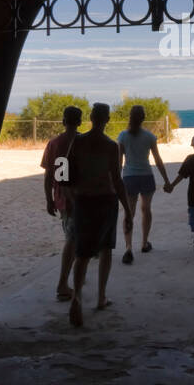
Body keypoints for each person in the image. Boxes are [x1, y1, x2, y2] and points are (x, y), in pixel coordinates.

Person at [63, 103, 134, 327]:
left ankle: (77, 297)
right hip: (105, 200)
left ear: (91, 118)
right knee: (106, 249)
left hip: (83, 200)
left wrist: (68, 193)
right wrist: (128, 210)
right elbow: (117, 179)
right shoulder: (111, 146)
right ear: (108, 120)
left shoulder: (78, 141)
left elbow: (63, 167)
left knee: (82, 253)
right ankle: (102, 297)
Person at [116, 104, 171, 265]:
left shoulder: (123, 136)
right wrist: (167, 180)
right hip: (146, 176)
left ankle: (128, 247)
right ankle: (144, 243)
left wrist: (116, 181)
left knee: (129, 212)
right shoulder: (149, 137)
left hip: (129, 178)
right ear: (143, 118)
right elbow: (158, 160)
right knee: (146, 209)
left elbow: (119, 162)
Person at [40, 105, 82, 302]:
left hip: (64, 199)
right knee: (73, 240)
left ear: (63, 121)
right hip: (81, 198)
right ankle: (63, 284)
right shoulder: (84, 142)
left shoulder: (55, 143)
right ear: (80, 122)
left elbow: (51, 175)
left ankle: (70, 280)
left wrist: (49, 199)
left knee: (72, 238)